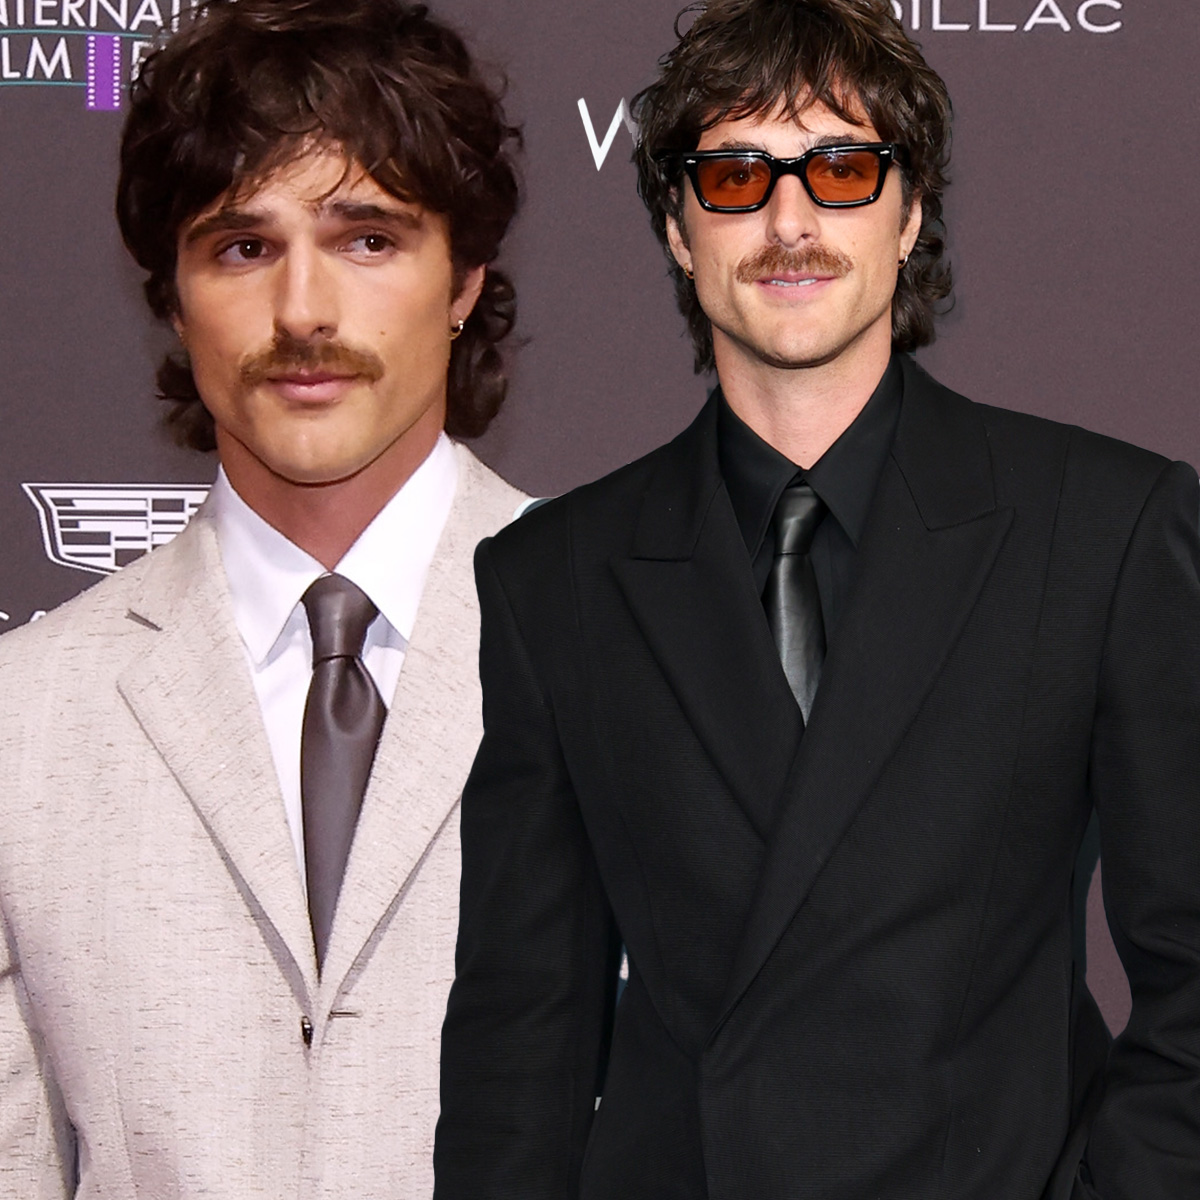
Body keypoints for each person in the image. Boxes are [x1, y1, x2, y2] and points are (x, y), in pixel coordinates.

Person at [434, 1, 1200, 1197]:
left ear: (912, 212)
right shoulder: (556, 577)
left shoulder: (1103, 529)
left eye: (841, 169)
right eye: (735, 177)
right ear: (680, 233)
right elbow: (520, 1037)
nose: (789, 221)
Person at [0, 0, 525, 1193]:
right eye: (242, 246)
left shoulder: (654, 648)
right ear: (174, 301)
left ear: (464, 281)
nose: (303, 313)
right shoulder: (22, 720)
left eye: (368, 238)